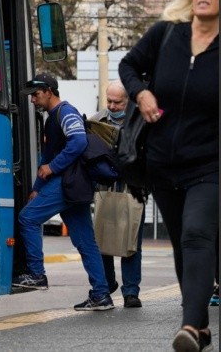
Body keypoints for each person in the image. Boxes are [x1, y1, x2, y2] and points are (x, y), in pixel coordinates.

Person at [118, 0, 219, 352]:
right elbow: (128, 66)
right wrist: (141, 92)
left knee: (196, 235)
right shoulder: (166, 34)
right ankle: (202, 324)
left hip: (210, 164)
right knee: (181, 241)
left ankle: (190, 327)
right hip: (161, 162)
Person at [12, 74, 114, 311]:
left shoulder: (66, 112)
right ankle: (101, 295)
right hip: (71, 185)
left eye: (36, 95)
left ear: (49, 91)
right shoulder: (51, 119)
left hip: (67, 182)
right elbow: (46, 157)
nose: (32, 100)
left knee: (27, 218)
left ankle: (37, 274)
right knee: (86, 243)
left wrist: (53, 168)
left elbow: (78, 142)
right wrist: (37, 189)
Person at [89, 80, 144, 309]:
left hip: (132, 188)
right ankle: (108, 282)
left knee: (131, 240)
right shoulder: (94, 121)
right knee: (102, 237)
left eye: (117, 102)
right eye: (109, 100)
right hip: (104, 188)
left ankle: (131, 291)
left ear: (128, 101)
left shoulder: (141, 121)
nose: (112, 106)